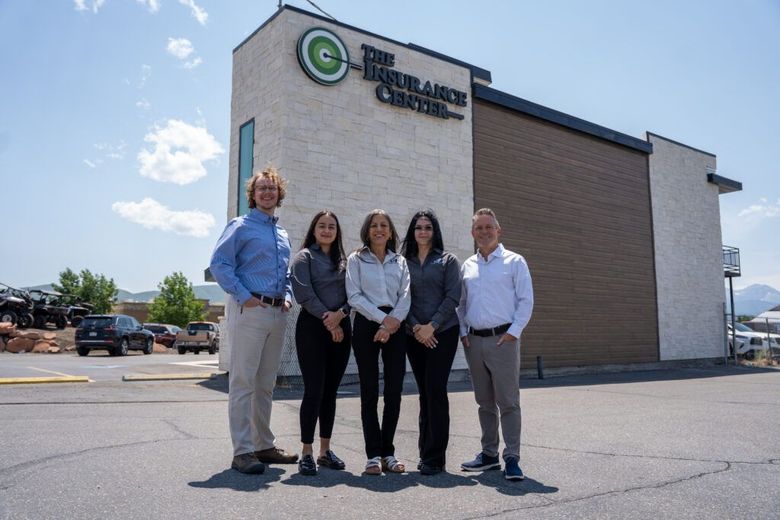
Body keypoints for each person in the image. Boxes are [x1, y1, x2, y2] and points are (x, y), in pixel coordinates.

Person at [209, 165, 299, 475]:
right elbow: (219, 263)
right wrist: (243, 295)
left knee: (265, 383)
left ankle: (263, 445)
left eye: (272, 188)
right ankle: (243, 451)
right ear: (253, 194)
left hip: (277, 312)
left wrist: (287, 296)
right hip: (251, 308)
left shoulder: (282, 233)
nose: (267, 193)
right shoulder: (241, 226)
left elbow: (286, 273)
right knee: (243, 382)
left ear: (279, 194)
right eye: (261, 188)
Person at [456, 208, 534, 481]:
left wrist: (514, 333)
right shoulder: (468, 266)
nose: (484, 232)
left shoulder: (514, 262)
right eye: (479, 228)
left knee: (508, 402)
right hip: (474, 341)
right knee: (484, 402)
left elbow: (526, 300)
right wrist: (463, 333)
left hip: (503, 341)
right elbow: (462, 304)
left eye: (489, 227)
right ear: (472, 233)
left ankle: (511, 457)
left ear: (498, 230)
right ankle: (489, 455)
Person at [346, 209, 411, 475]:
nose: (379, 229)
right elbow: (354, 296)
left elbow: (406, 296)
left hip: (396, 325)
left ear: (391, 231)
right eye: (374, 225)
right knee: (369, 390)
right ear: (367, 230)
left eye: (384, 225)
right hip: (366, 324)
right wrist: (383, 320)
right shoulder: (356, 259)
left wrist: (391, 322)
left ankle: (388, 452)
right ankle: (373, 454)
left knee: (394, 390)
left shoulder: (401, 261)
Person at [290, 210, 352, 476]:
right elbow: (304, 293)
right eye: (322, 226)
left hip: (342, 325)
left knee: (330, 392)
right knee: (314, 389)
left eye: (331, 226)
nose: (327, 230)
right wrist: (330, 320)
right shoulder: (304, 258)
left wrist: (341, 316)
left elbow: (355, 293)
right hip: (312, 328)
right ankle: (306, 452)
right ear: (314, 230)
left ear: (337, 232)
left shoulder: (345, 262)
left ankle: (325, 451)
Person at [401, 210, 461, 476]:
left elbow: (453, 297)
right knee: (424, 392)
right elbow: (401, 298)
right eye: (418, 228)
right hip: (413, 334)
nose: (423, 232)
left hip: (443, 334)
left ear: (434, 231)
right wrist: (416, 327)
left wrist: (431, 326)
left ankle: (435, 458)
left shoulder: (448, 260)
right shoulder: (404, 262)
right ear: (413, 232)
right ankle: (425, 453)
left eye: (428, 227)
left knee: (436, 390)